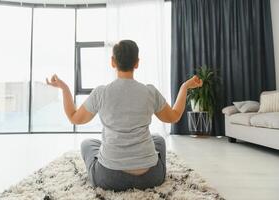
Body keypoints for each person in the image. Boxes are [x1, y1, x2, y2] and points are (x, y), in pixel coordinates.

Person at [46, 40, 203, 192]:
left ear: (113, 62)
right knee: (159, 140)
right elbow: (174, 117)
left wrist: (64, 88)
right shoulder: (150, 92)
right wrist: (185, 87)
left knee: (87, 144)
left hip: (109, 177)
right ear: (137, 63)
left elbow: (74, 118)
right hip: (150, 177)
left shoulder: (101, 92)